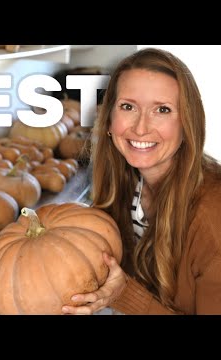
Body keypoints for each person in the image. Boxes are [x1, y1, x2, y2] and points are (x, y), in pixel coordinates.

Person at [61, 47, 221, 315]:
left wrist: (124, 294)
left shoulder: (214, 216)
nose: (141, 128)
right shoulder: (124, 183)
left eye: (162, 109)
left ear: (188, 123)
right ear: (109, 119)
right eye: (128, 106)